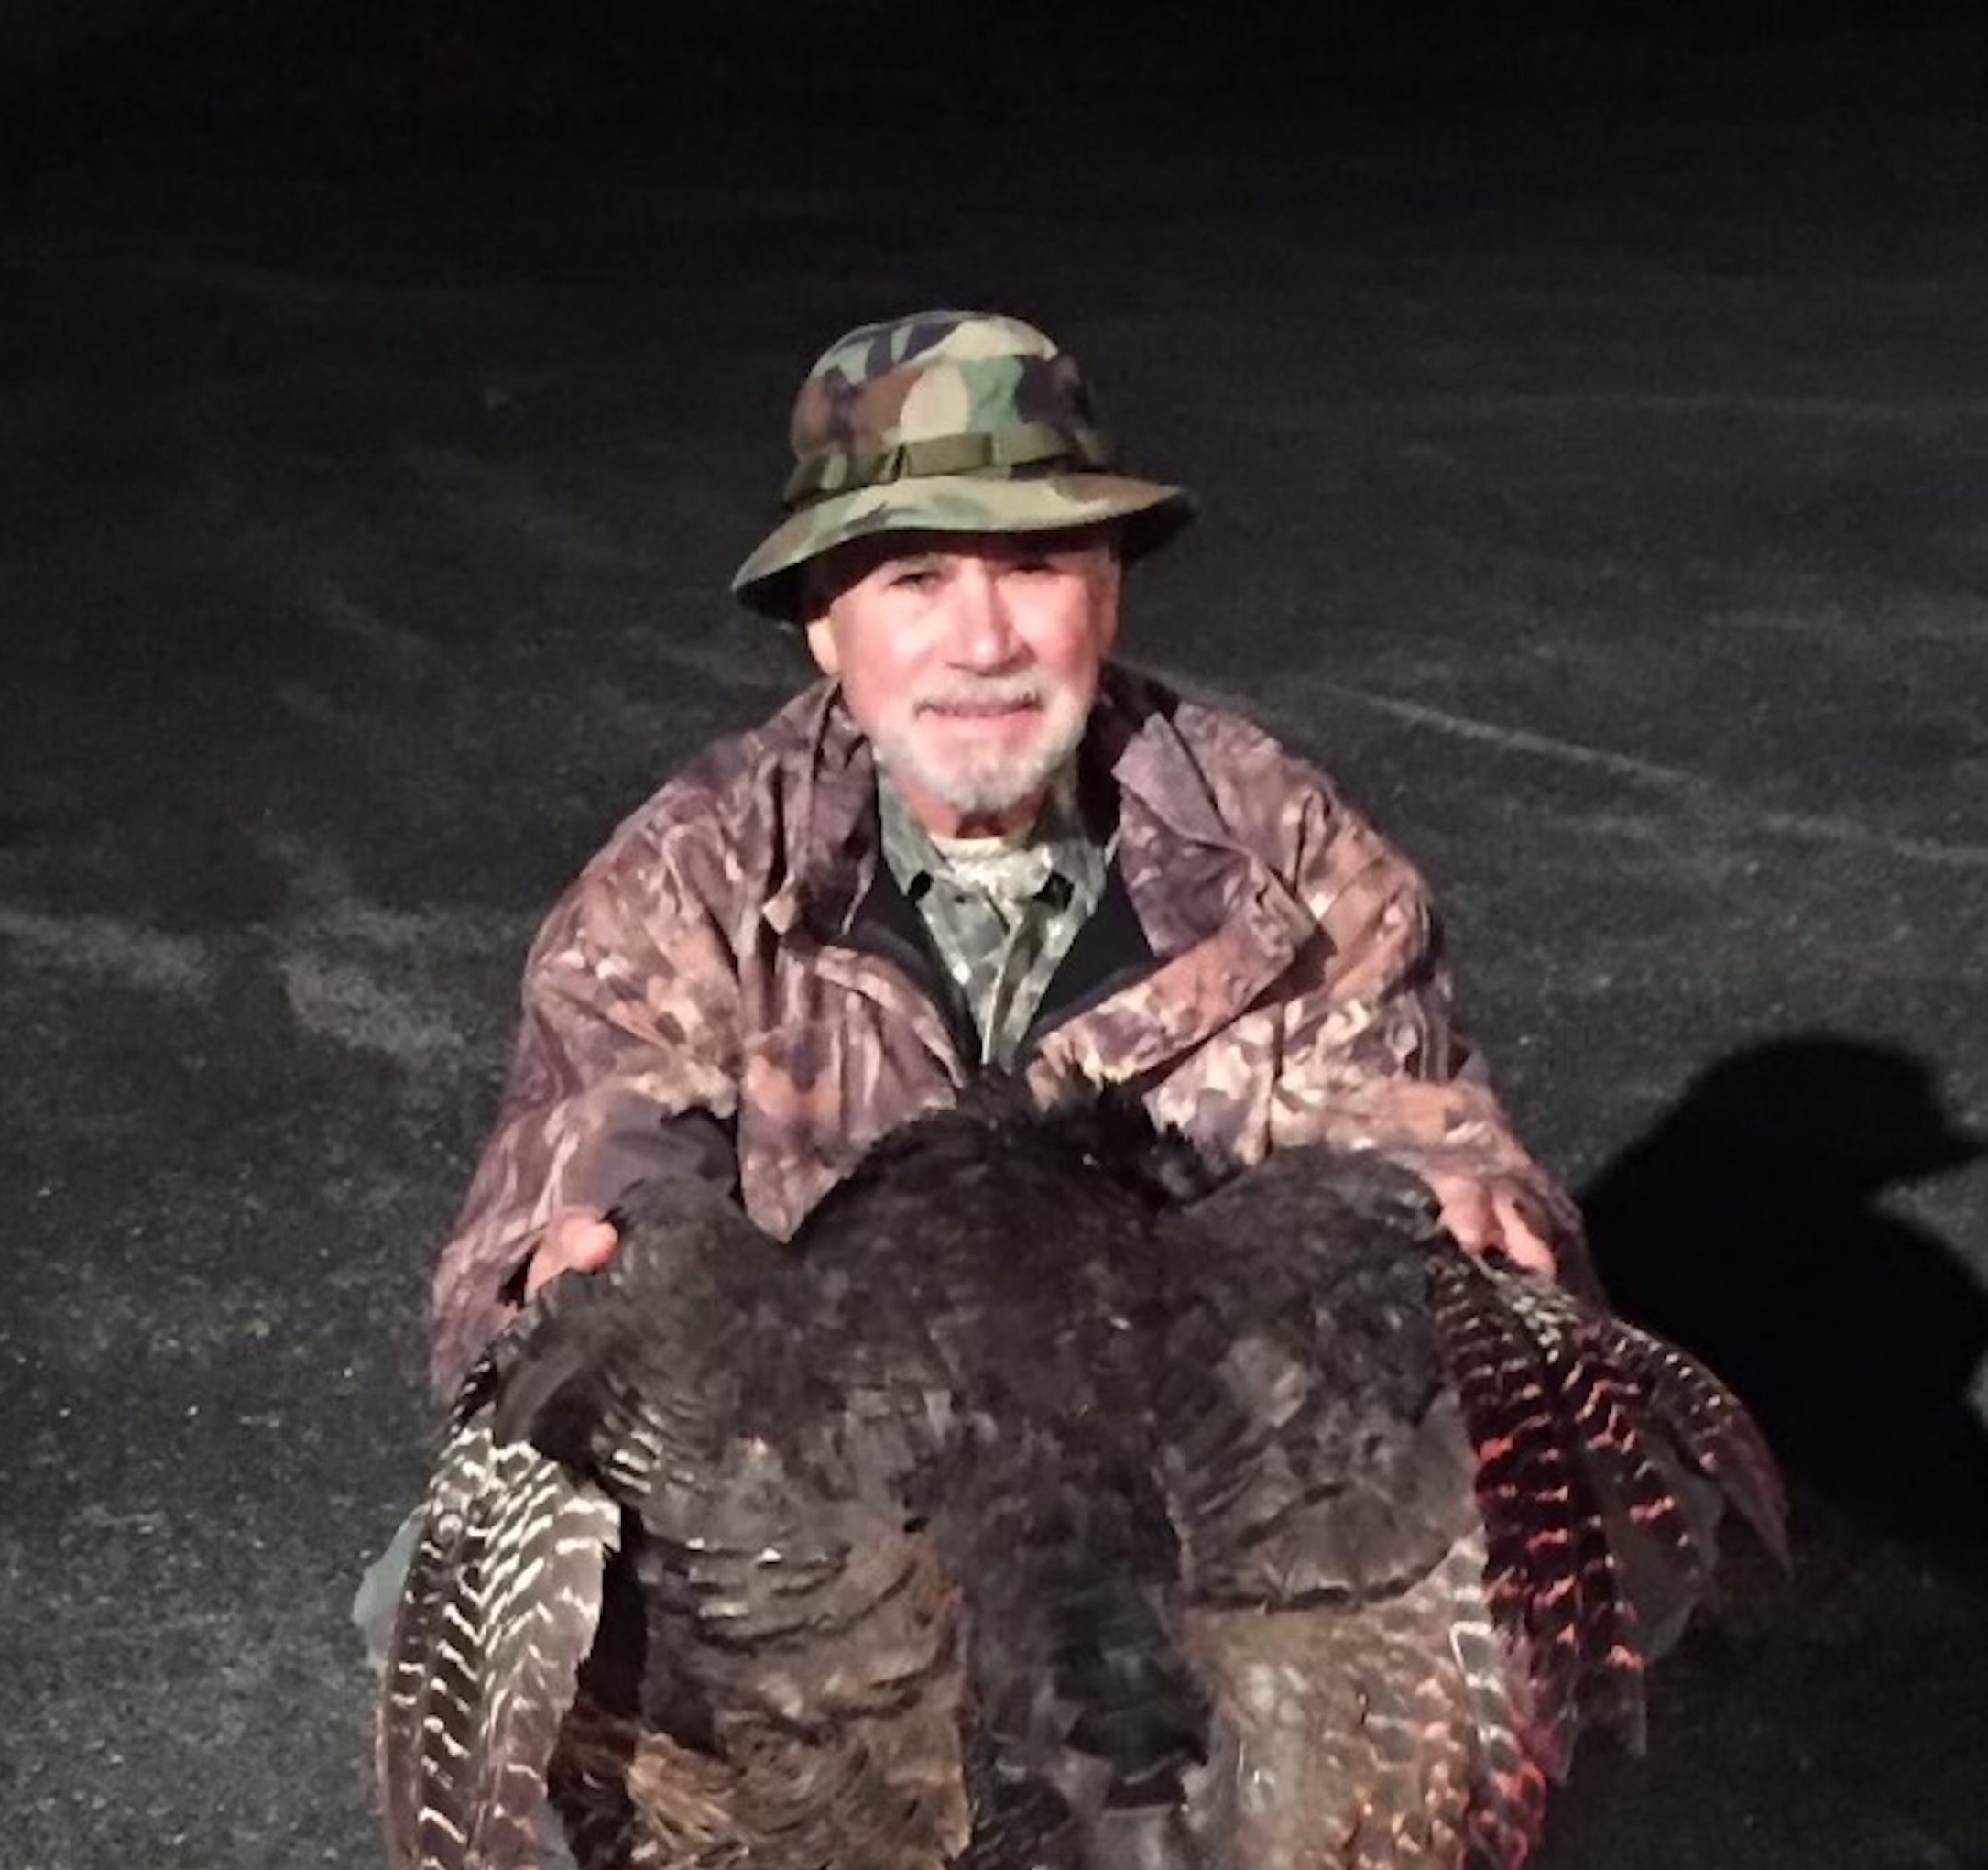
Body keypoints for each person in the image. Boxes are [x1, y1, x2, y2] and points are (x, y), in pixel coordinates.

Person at [426, 307, 1579, 1404]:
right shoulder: (692, 879)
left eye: (1033, 567)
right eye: (916, 578)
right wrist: (593, 1252)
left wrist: (1454, 1213)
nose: (982, 643)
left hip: (1209, 1473)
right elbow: (589, 1159)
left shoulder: (1292, 864)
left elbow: (1411, 1129)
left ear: (1107, 593)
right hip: (816, 1480)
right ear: (824, 624)